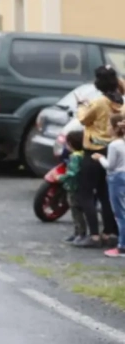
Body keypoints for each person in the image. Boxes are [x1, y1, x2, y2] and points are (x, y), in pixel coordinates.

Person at [74, 65, 122, 248]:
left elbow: (84, 119)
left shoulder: (100, 102)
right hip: (110, 150)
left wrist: (81, 106)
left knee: (85, 193)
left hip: (93, 150)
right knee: (105, 193)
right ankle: (109, 232)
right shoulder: (120, 102)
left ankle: (93, 234)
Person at [93, 114, 125, 257]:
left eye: (108, 126)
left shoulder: (114, 145)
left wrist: (100, 158)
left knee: (120, 213)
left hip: (116, 178)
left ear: (114, 128)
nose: (107, 128)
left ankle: (122, 246)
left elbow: (110, 165)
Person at [58, 130, 87, 244]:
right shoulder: (83, 155)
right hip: (82, 186)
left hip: (73, 186)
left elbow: (72, 172)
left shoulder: (74, 157)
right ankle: (77, 232)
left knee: (76, 210)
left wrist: (60, 178)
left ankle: (80, 233)